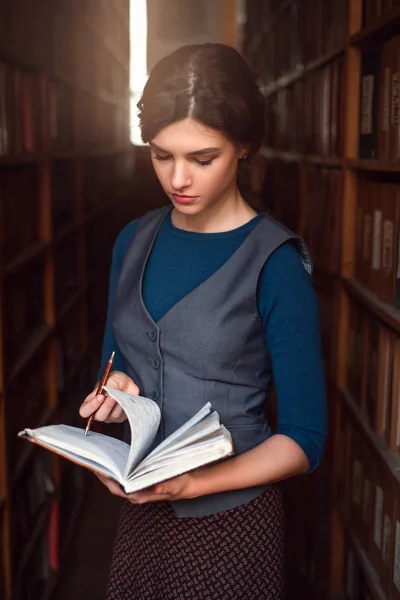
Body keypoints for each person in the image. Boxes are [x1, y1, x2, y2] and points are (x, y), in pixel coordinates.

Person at [79, 43, 327, 600]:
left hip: (232, 528)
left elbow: (306, 438)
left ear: (244, 147)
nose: (178, 179)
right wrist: (113, 397)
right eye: (162, 155)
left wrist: (197, 482)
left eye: (202, 158)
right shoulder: (133, 240)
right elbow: (114, 368)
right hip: (141, 516)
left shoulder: (277, 265)